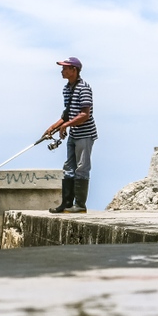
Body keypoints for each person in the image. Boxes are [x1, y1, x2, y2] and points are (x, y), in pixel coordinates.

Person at [44, 57, 97, 213]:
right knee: (69, 168)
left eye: (65, 68)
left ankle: (80, 205)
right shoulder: (66, 89)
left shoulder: (84, 88)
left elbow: (84, 114)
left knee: (82, 168)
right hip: (74, 133)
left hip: (85, 134)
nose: (62, 71)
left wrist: (66, 125)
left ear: (74, 70)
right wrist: (53, 127)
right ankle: (66, 204)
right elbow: (67, 114)